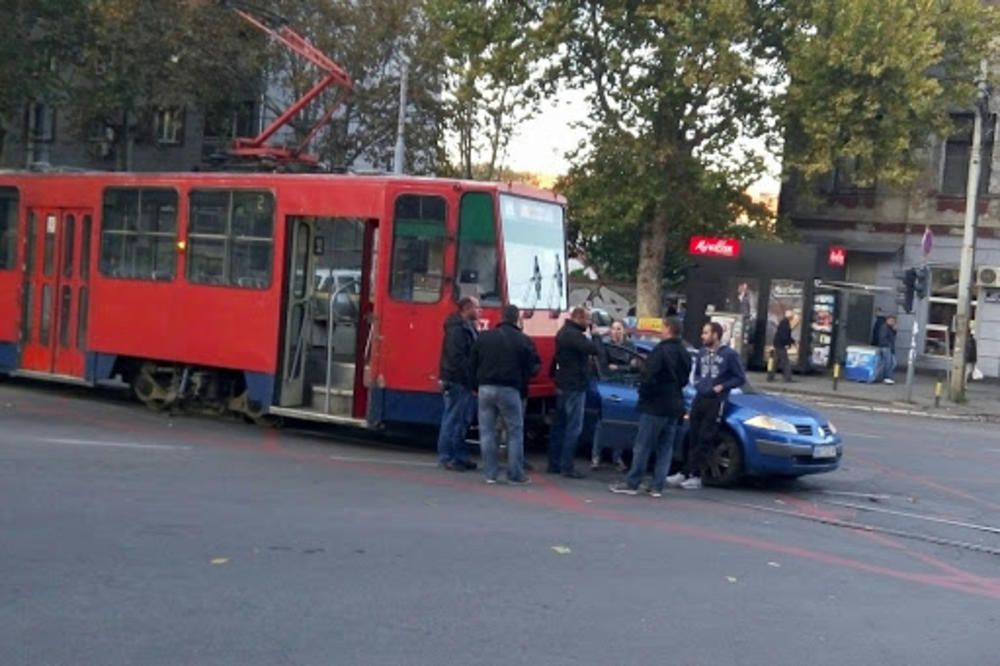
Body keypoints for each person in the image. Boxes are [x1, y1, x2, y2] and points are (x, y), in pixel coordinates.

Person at [609, 317, 691, 498]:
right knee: (665, 448)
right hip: (675, 404)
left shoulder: (660, 351)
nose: (661, 330)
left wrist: (644, 393)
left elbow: (648, 376)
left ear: (668, 329)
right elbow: (685, 379)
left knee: (643, 445)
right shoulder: (684, 353)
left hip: (655, 405)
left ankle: (632, 482)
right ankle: (657, 486)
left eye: (663, 327)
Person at [668, 321, 746, 490]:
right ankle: (685, 471)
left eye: (706, 333)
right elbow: (696, 373)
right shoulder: (702, 353)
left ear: (715, 335)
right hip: (700, 397)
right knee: (693, 435)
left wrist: (722, 386)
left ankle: (697, 475)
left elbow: (740, 377)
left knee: (706, 436)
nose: (702, 336)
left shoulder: (729, 355)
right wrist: (698, 383)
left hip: (716, 401)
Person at [472, 305, 540, 484]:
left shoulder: (484, 337)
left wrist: (475, 384)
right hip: (510, 389)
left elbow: (472, 362)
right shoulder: (524, 340)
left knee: (486, 432)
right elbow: (534, 367)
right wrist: (522, 379)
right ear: (517, 318)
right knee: (515, 432)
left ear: (501, 317)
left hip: (485, 388)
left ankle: (490, 474)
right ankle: (515, 474)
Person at [548, 306, 601, 479]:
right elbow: (594, 349)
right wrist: (597, 336)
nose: (589, 323)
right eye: (587, 319)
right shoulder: (574, 335)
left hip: (563, 383)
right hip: (575, 385)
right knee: (573, 427)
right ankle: (567, 465)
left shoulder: (563, 332)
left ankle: (554, 462)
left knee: (560, 425)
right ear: (579, 318)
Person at [436, 296, 480, 471]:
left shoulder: (465, 327)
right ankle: (447, 457)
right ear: (467, 309)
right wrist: (470, 378)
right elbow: (457, 358)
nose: (480, 310)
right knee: (453, 419)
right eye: (477, 307)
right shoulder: (458, 330)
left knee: (461, 420)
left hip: (461, 380)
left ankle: (458, 456)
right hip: (457, 381)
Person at [592, 320, 636, 471]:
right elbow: (604, 366)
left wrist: (619, 367)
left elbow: (633, 366)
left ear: (624, 331)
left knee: (621, 422)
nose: (616, 332)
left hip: (625, 386)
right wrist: (623, 368)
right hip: (608, 385)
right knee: (603, 421)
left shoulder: (630, 347)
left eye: (619, 329)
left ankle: (617, 457)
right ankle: (596, 456)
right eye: (614, 329)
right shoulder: (606, 346)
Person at [770, 310, 795, 383]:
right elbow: (785, 335)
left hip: (778, 344)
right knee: (785, 362)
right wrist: (788, 343)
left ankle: (770, 376)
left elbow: (783, 334)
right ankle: (787, 378)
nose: (793, 317)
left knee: (776, 362)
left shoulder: (783, 322)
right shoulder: (786, 323)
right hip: (781, 345)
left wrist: (792, 341)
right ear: (789, 316)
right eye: (792, 316)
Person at [878, 315, 897, 385]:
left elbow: (892, 337)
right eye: (892, 321)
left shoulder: (890, 328)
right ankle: (886, 377)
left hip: (889, 347)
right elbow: (883, 338)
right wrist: (888, 344)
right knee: (888, 363)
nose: (893, 323)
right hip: (886, 347)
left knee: (893, 363)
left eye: (894, 322)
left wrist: (894, 331)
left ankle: (887, 376)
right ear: (887, 320)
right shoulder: (885, 327)